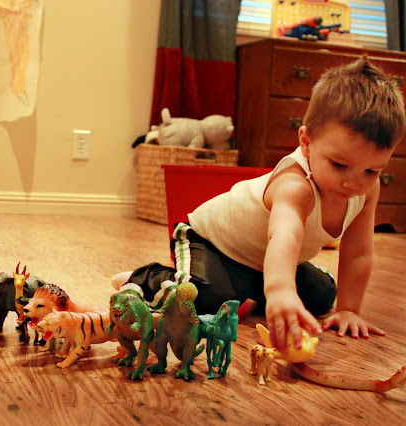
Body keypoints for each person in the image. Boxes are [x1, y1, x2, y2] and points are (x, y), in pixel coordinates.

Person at [115, 56, 406, 352]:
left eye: (372, 170)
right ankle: (149, 278)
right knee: (206, 300)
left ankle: (252, 287)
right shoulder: (295, 186)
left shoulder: (367, 192)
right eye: (339, 164)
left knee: (322, 296)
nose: (353, 183)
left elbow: (357, 252)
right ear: (306, 143)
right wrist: (280, 291)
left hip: (261, 259)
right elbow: (284, 236)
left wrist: (349, 310)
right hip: (210, 242)